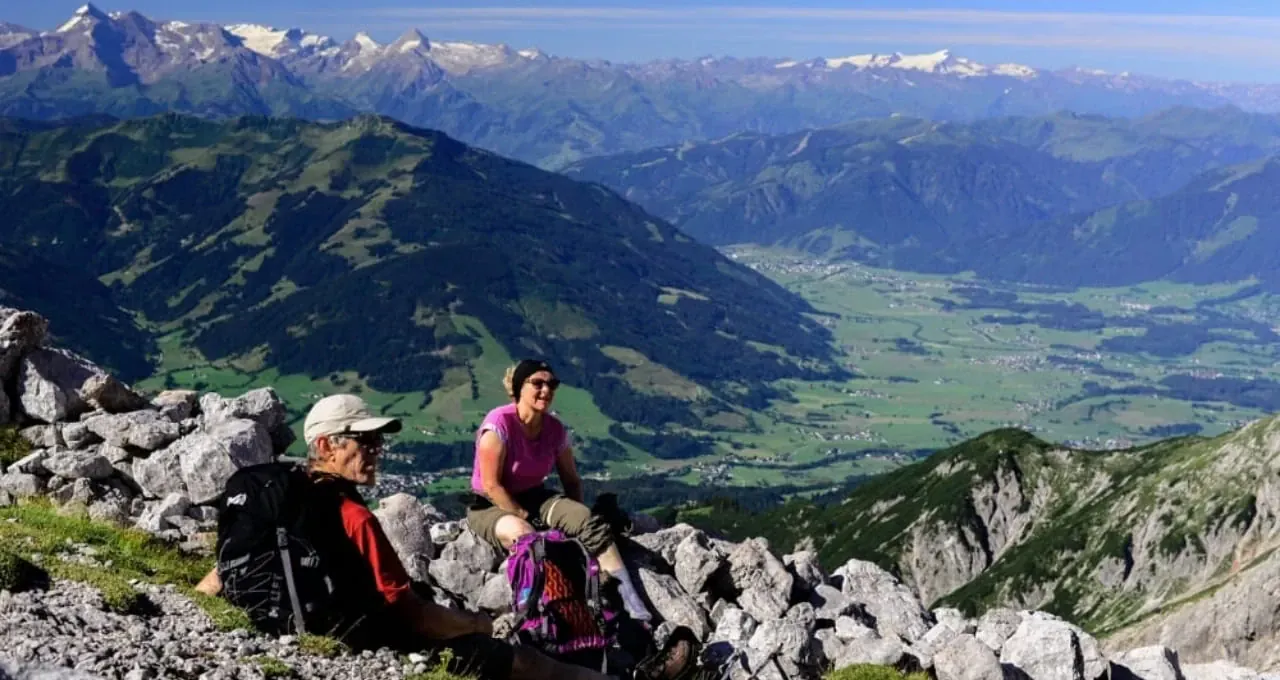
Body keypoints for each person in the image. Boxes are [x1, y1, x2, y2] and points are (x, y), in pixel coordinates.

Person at [196, 393, 614, 680]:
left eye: (378, 439)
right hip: (365, 642)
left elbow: (223, 571)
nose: (377, 449)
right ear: (326, 445)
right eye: (366, 439)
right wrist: (480, 624)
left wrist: (194, 611)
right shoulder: (352, 515)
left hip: (273, 625)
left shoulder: (278, 496)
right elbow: (411, 613)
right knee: (525, 663)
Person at [468, 359, 652, 623]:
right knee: (526, 536)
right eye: (538, 383)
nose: (546, 390)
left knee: (590, 524)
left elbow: (572, 480)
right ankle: (548, 610)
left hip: (536, 495)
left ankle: (631, 601)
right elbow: (491, 485)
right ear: (520, 387)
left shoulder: (554, 430)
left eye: (552, 384)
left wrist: (577, 517)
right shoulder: (499, 424)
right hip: (490, 504)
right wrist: (523, 516)